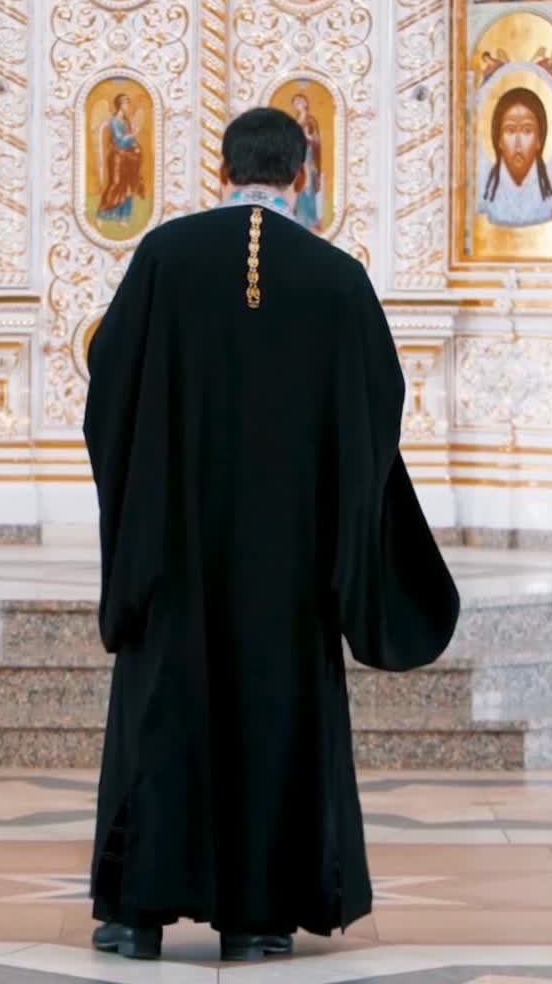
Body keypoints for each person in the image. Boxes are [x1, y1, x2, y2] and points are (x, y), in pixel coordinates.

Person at [83, 107, 460, 963]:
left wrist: (143, 510)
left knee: (160, 710)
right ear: (301, 175)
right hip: (289, 571)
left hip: (174, 555)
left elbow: (109, 390)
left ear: (223, 170)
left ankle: (134, 915)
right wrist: (342, 530)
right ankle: (258, 921)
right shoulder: (336, 279)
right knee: (277, 713)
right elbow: (376, 417)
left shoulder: (163, 258)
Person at [479, 86, 552, 227]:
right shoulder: (483, 191)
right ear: (499, 140)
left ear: (539, 140)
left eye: (527, 131)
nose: (518, 144)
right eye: (510, 130)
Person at [96, 93, 144, 225]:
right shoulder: (115, 121)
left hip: (128, 159)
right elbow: (120, 141)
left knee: (129, 187)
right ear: (120, 105)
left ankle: (124, 217)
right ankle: (102, 214)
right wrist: (133, 135)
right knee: (116, 185)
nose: (128, 105)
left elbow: (129, 141)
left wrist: (136, 146)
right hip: (118, 159)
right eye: (126, 102)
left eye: (129, 102)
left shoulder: (126, 121)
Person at [291, 92, 322, 230]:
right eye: (296, 102)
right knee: (300, 185)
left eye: (300, 101)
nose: (298, 104)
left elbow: (316, 141)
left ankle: (310, 219)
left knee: (308, 185)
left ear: (305, 103)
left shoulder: (311, 121)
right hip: (299, 157)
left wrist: (308, 138)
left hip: (308, 157)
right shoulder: (296, 120)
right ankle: (300, 218)